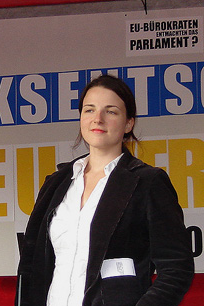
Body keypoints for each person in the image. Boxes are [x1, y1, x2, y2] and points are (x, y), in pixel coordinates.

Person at [16, 74, 194, 306]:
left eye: (110, 111)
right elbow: (30, 266)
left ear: (129, 123)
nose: (97, 119)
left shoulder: (148, 182)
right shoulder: (56, 183)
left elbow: (176, 270)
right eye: (89, 110)